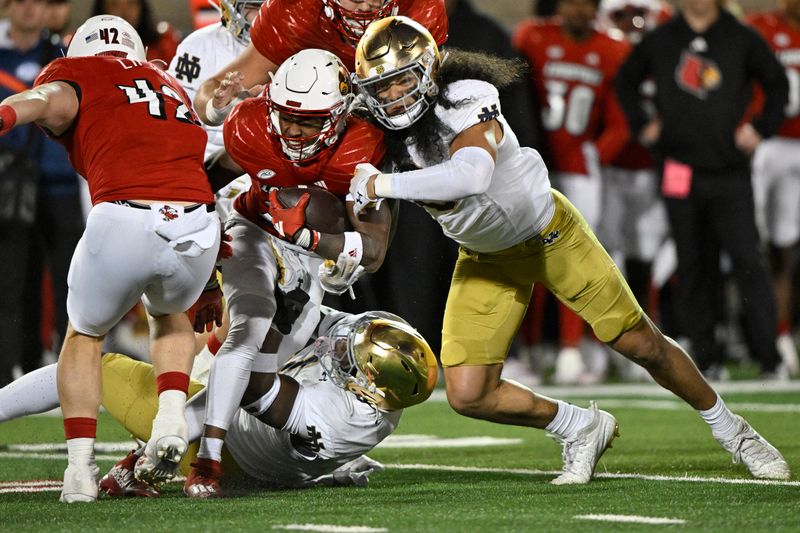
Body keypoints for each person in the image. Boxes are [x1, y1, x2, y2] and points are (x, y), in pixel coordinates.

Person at [349, 16, 790, 483]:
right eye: (383, 87)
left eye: (402, 80)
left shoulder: (465, 95)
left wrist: (380, 183)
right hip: (484, 256)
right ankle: (579, 426)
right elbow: (370, 213)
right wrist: (355, 246)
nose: (395, 96)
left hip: (550, 233)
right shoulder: (376, 135)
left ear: (429, 71)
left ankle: (734, 431)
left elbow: (471, 174)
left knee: (641, 343)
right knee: (469, 393)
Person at [0, 15, 221, 502]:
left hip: (126, 217)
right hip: (200, 224)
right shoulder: (166, 83)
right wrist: (209, 277)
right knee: (169, 315)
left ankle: (79, 470)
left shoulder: (79, 75)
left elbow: (41, 101)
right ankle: (168, 418)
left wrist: (7, 115)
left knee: (84, 335)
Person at [187, 48, 394, 498]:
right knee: (251, 325)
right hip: (253, 228)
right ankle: (208, 459)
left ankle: (156, 446)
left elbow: (374, 251)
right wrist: (204, 276)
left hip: (309, 255)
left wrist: (309, 241)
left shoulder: (361, 146)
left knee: (281, 360)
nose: (295, 130)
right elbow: (200, 189)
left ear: (339, 118)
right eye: (287, 117)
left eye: (310, 121)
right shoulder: (251, 125)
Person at [0, 308, 438, 495]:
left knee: (91, 363)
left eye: (350, 358)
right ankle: (139, 462)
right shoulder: (385, 393)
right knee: (237, 334)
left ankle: (156, 451)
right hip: (262, 467)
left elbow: (253, 388)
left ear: (365, 387)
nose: (342, 347)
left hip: (226, 446)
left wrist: (268, 311)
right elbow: (324, 322)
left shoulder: (345, 416)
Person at [614, 0, 789, 379]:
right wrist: (642, 124)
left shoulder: (741, 37)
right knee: (693, 264)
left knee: (748, 262)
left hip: (730, 171)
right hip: (679, 169)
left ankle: (770, 359)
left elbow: (778, 83)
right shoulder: (662, 39)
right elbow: (625, 79)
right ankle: (706, 359)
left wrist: (760, 128)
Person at [513, 0, 631, 384]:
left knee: (576, 259)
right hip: (534, 162)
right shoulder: (532, 37)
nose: (577, 11)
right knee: (528, 258)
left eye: (585, 4)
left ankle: (572, 348)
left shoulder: (612, 48)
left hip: (581, 168)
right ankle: (530, 348)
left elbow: (620, 120)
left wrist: (597, 153)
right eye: (570, 2)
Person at [192, 0, 448, 128]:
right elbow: (209, 93)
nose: (367, 7)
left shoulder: (419, 8)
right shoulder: (295, 13)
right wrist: (221, 107)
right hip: (311, 133)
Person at [0, 0, 83, 384]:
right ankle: (15, 376)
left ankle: (69, 375)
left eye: (40, 1)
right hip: (12, 190)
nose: (31, 9)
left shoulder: (65, 55)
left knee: (72, 282)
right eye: (22, 0)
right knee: (14, 282)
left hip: (62, 184)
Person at [747, 0, 800, 378]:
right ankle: (771, 336)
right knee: (758, 245)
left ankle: (781, 335)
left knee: (784, 247)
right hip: (766, 143)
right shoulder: (758, 27)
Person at [91, 0, 180, 63]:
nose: (125, 12)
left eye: (131, 2)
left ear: (142, 6)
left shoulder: (164, 42)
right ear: (102, 8)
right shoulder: (87, 45)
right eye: (115, 4)